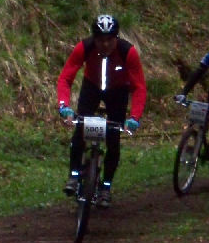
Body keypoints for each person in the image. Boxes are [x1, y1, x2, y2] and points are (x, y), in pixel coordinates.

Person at [57, 14, 147, 208]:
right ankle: (73, 176)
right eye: (100, 40)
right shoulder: (85, 47)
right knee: (80, 129)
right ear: (94, 38)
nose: (105, 45)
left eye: (109, 40)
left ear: (116, 38)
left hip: (118, 91)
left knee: (113, 140)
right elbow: (66, 77)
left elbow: (139, 87)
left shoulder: (128, 52)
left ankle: (106, 187)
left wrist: (134, 118)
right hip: (92, 87)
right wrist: (64, 105)